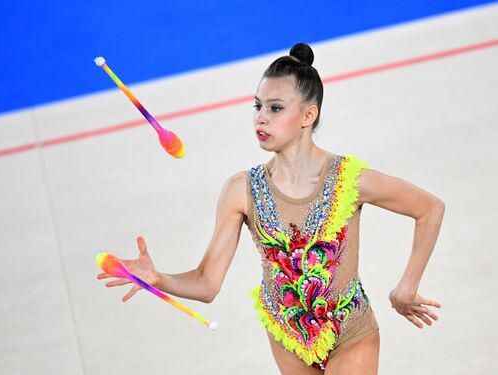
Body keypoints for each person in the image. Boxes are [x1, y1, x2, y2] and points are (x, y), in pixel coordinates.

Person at [97, 42, 445, 374]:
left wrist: (406, 287)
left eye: (275, 108)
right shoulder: (241, 190)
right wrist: (158, 278)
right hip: (286, 336)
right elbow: (207, 283)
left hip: (350, 330)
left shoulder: (349, 180)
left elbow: (429, 208)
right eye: (258, 105)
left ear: (309, 114)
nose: (261, 118)